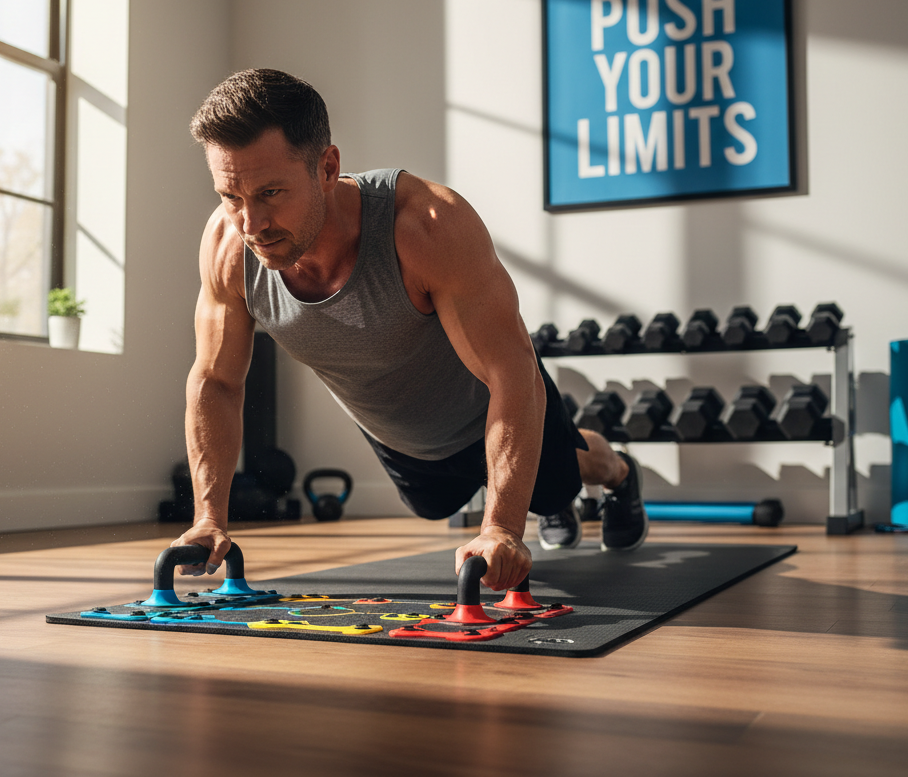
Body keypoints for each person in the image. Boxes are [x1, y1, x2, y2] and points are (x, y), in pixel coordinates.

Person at [171, 68, 646, 591]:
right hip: (403, 439)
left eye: (271, 192)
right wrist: (208, 517)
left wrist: (502, 528)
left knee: (557, 485)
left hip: (496, 412)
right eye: (231, 196)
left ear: (327, 168)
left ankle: (618, 473)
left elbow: (511, 375)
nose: (251, 224)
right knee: (433, 504)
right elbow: (216, 381)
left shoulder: (427, 226)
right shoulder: (227, 248)